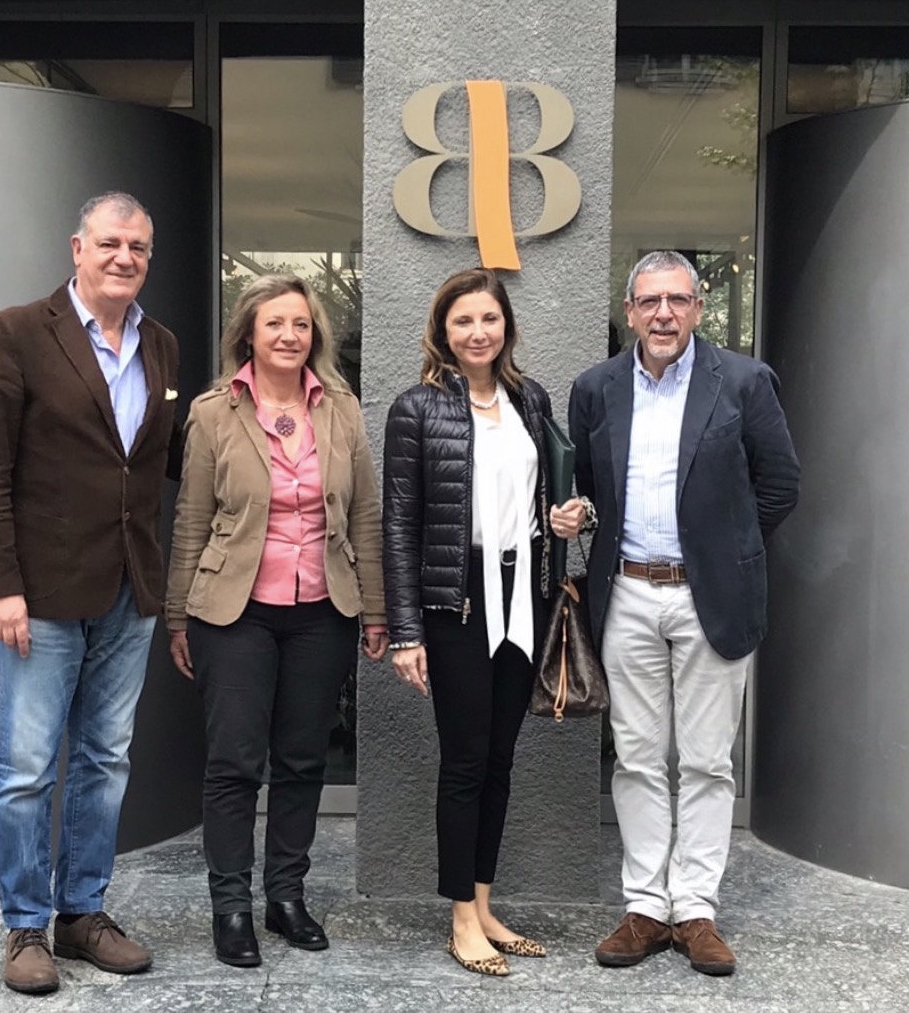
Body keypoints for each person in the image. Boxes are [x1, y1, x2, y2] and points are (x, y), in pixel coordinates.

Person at [0, 192, 180, 996]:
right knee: (27, 767)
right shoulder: (14, 333)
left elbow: (155, 459)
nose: (126, 257)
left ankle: (82, 913)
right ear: (78, 248)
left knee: (105, 759)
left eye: (139, 247)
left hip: (129, 585)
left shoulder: (161, 344)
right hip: (40, 593)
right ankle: (25, 925)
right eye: (111, 243)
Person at [556, 250, 801, 978]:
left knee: (705, 761)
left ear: (698, 308)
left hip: (710, 595)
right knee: (636, 758)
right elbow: (592, 488)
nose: (663, 314)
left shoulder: (745, 382)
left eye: (677, 300)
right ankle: (645, 908)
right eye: (649, 301)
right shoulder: (595, 388)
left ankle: (694, 909)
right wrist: (577, 513)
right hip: (627, 592)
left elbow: (780, 484)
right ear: (630, 311)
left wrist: (727, 551)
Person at [165, 273, 387, 968]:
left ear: (314, 334)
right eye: (275, 324)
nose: (290, 336)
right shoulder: (212, 412)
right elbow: (192, 517)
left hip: (323, 611)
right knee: (235, 762)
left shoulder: (341, 409)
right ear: (249, 335)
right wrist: (177, 616)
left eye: (301, 324)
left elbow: (365, 515)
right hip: (234, 614)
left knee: (301, 759)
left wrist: (375, 609)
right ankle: (231, 905)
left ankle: (286, 896)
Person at [383, 268, 565, 978]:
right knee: (464, 760)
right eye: (463, 320)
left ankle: (485, 905)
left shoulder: (530, 398)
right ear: (443, 330)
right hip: (455, 603)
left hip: (524, 595)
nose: (477, 332)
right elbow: (400, 525)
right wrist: (406, 631)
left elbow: (548, 494)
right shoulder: (416, 408)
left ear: (506, 326)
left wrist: (569, 515)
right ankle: (461, 918)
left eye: (489, 318)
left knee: (500, 759)